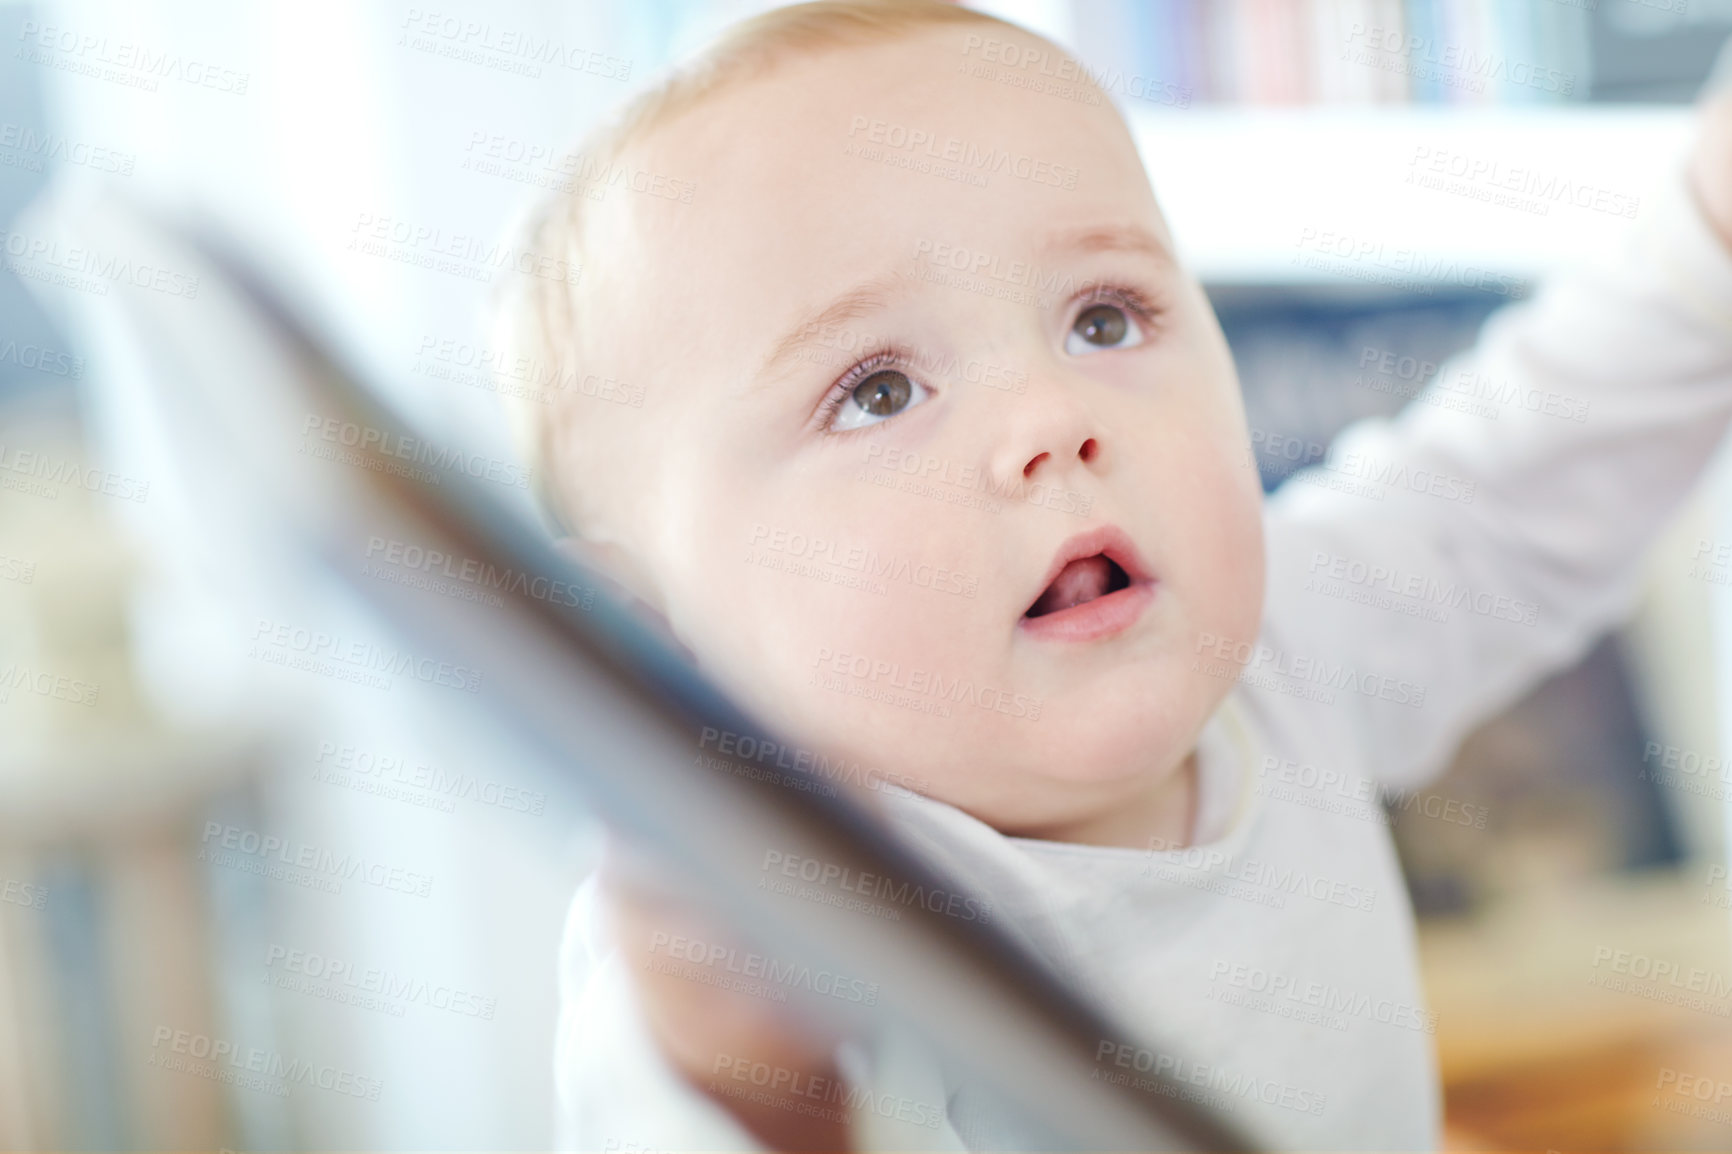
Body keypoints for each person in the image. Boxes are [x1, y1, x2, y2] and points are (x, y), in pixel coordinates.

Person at [491, 2, 1732, 1149]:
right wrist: (730, 1055)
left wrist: (1705, 238)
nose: (1052, 410)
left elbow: (1509, 490)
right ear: (655, 630)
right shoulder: (782, 917)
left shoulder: (1277, 653)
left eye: (1103, 318)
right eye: (876, 391)